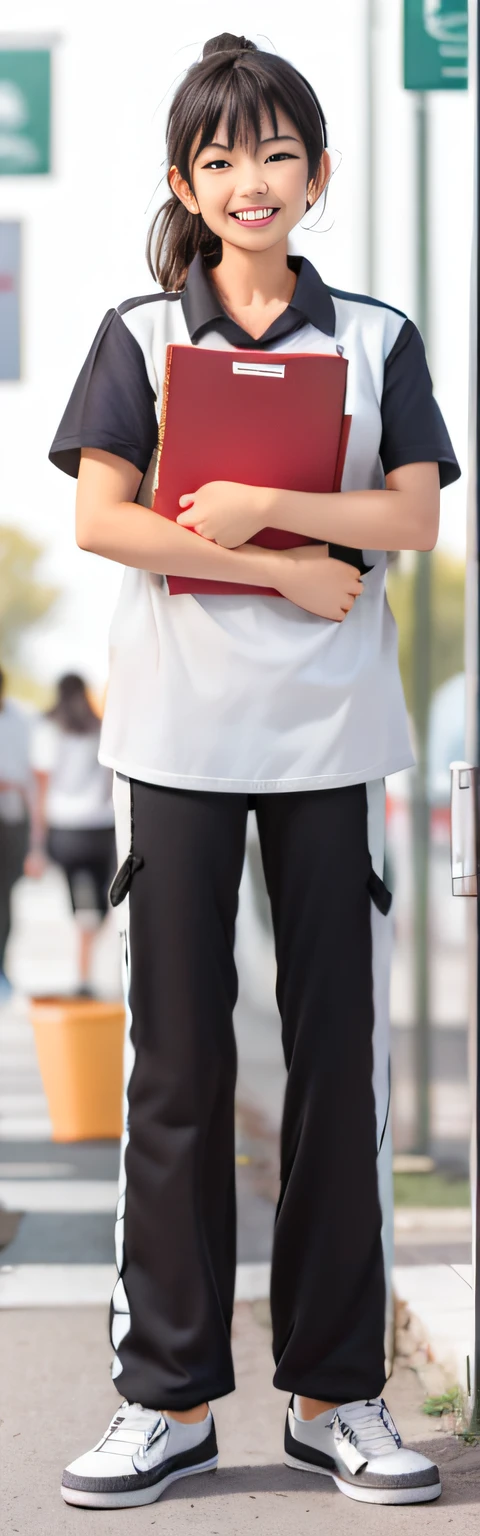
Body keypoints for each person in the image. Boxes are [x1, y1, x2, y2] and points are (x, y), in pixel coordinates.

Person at [50, 35, 460, 1510]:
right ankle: (166, 1401)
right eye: (219, 158)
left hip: (333, 747)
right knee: (179, 1072)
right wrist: (286, 573)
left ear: (320, 175)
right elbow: (105, 522)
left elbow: (409, 518)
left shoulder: (378, 340)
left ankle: (335, 1395)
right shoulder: (135, 336)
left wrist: (279, 507)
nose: (249, 180)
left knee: (341, 1075)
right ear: (184, 181)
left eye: (275, 152)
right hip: (175, 743)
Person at [26, 674, 115, 996]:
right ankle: (85, 969)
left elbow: (41, 790)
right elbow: (110, 782)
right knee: (100, 902)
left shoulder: (47, 731)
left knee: (81, 905)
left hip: (64, 829)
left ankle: (84, 969)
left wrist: (36, 845)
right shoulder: (101, 728)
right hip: (101, 827)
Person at [0, 667, 31, 999]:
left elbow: (28, 777)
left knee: (4, 898)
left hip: (9, 820)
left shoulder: (18, 721)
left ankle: (1, 967)